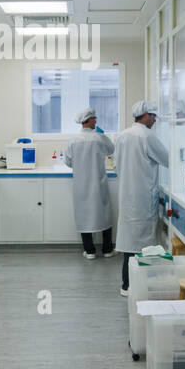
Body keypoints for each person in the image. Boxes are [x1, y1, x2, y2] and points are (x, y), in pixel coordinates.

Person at [113, 100, 169, 296]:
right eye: (153, 116)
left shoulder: (122, 135)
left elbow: (116, 164)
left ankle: (127, 284)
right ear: (145, 115)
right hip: (143, 197)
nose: (154, 120)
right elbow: (168, 159)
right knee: (142, 243)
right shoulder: (147, 136)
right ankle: (136, 285)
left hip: (127, 195)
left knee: (130, 242)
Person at [64, 108, 115, 259]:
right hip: (98, 184)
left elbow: (68, 162)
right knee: (104, 215)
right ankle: (107, 250)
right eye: (94, 119)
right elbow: (111, 149)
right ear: (89, 120)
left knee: (83, 215)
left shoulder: (73, 141)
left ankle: (90, 251)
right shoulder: (99, 138)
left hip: (81, 185)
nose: (96, 121)